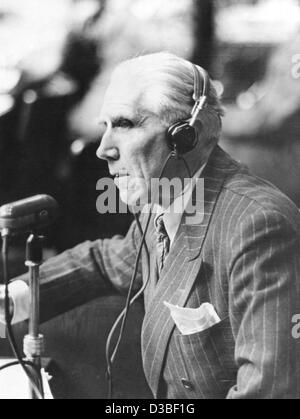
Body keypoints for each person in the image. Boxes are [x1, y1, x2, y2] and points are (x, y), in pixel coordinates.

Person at [1, 52, 300, 399]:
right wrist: (11, 299)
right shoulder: (166, 201)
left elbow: (269, 391)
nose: (103, 150)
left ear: (184, 136)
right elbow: (104, 261)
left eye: (126, 124)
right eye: (105, 127)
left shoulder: (258, 226)